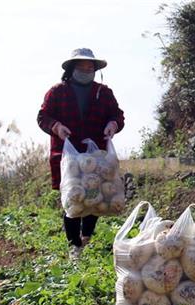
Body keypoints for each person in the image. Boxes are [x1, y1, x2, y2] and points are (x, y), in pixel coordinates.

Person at [37, 48, 125, 260]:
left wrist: (113, 124)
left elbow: (118, 115)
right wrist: (56, 126)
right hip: (68, 158)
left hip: (96, 157)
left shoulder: (103, 93)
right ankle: (74, 247)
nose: (86, 70)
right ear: (71, 68)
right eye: (81, 67)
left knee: (95, 198)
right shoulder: (57, 92)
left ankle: (86, 237)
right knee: (74, 199)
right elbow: (43, 116)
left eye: (90, 67)